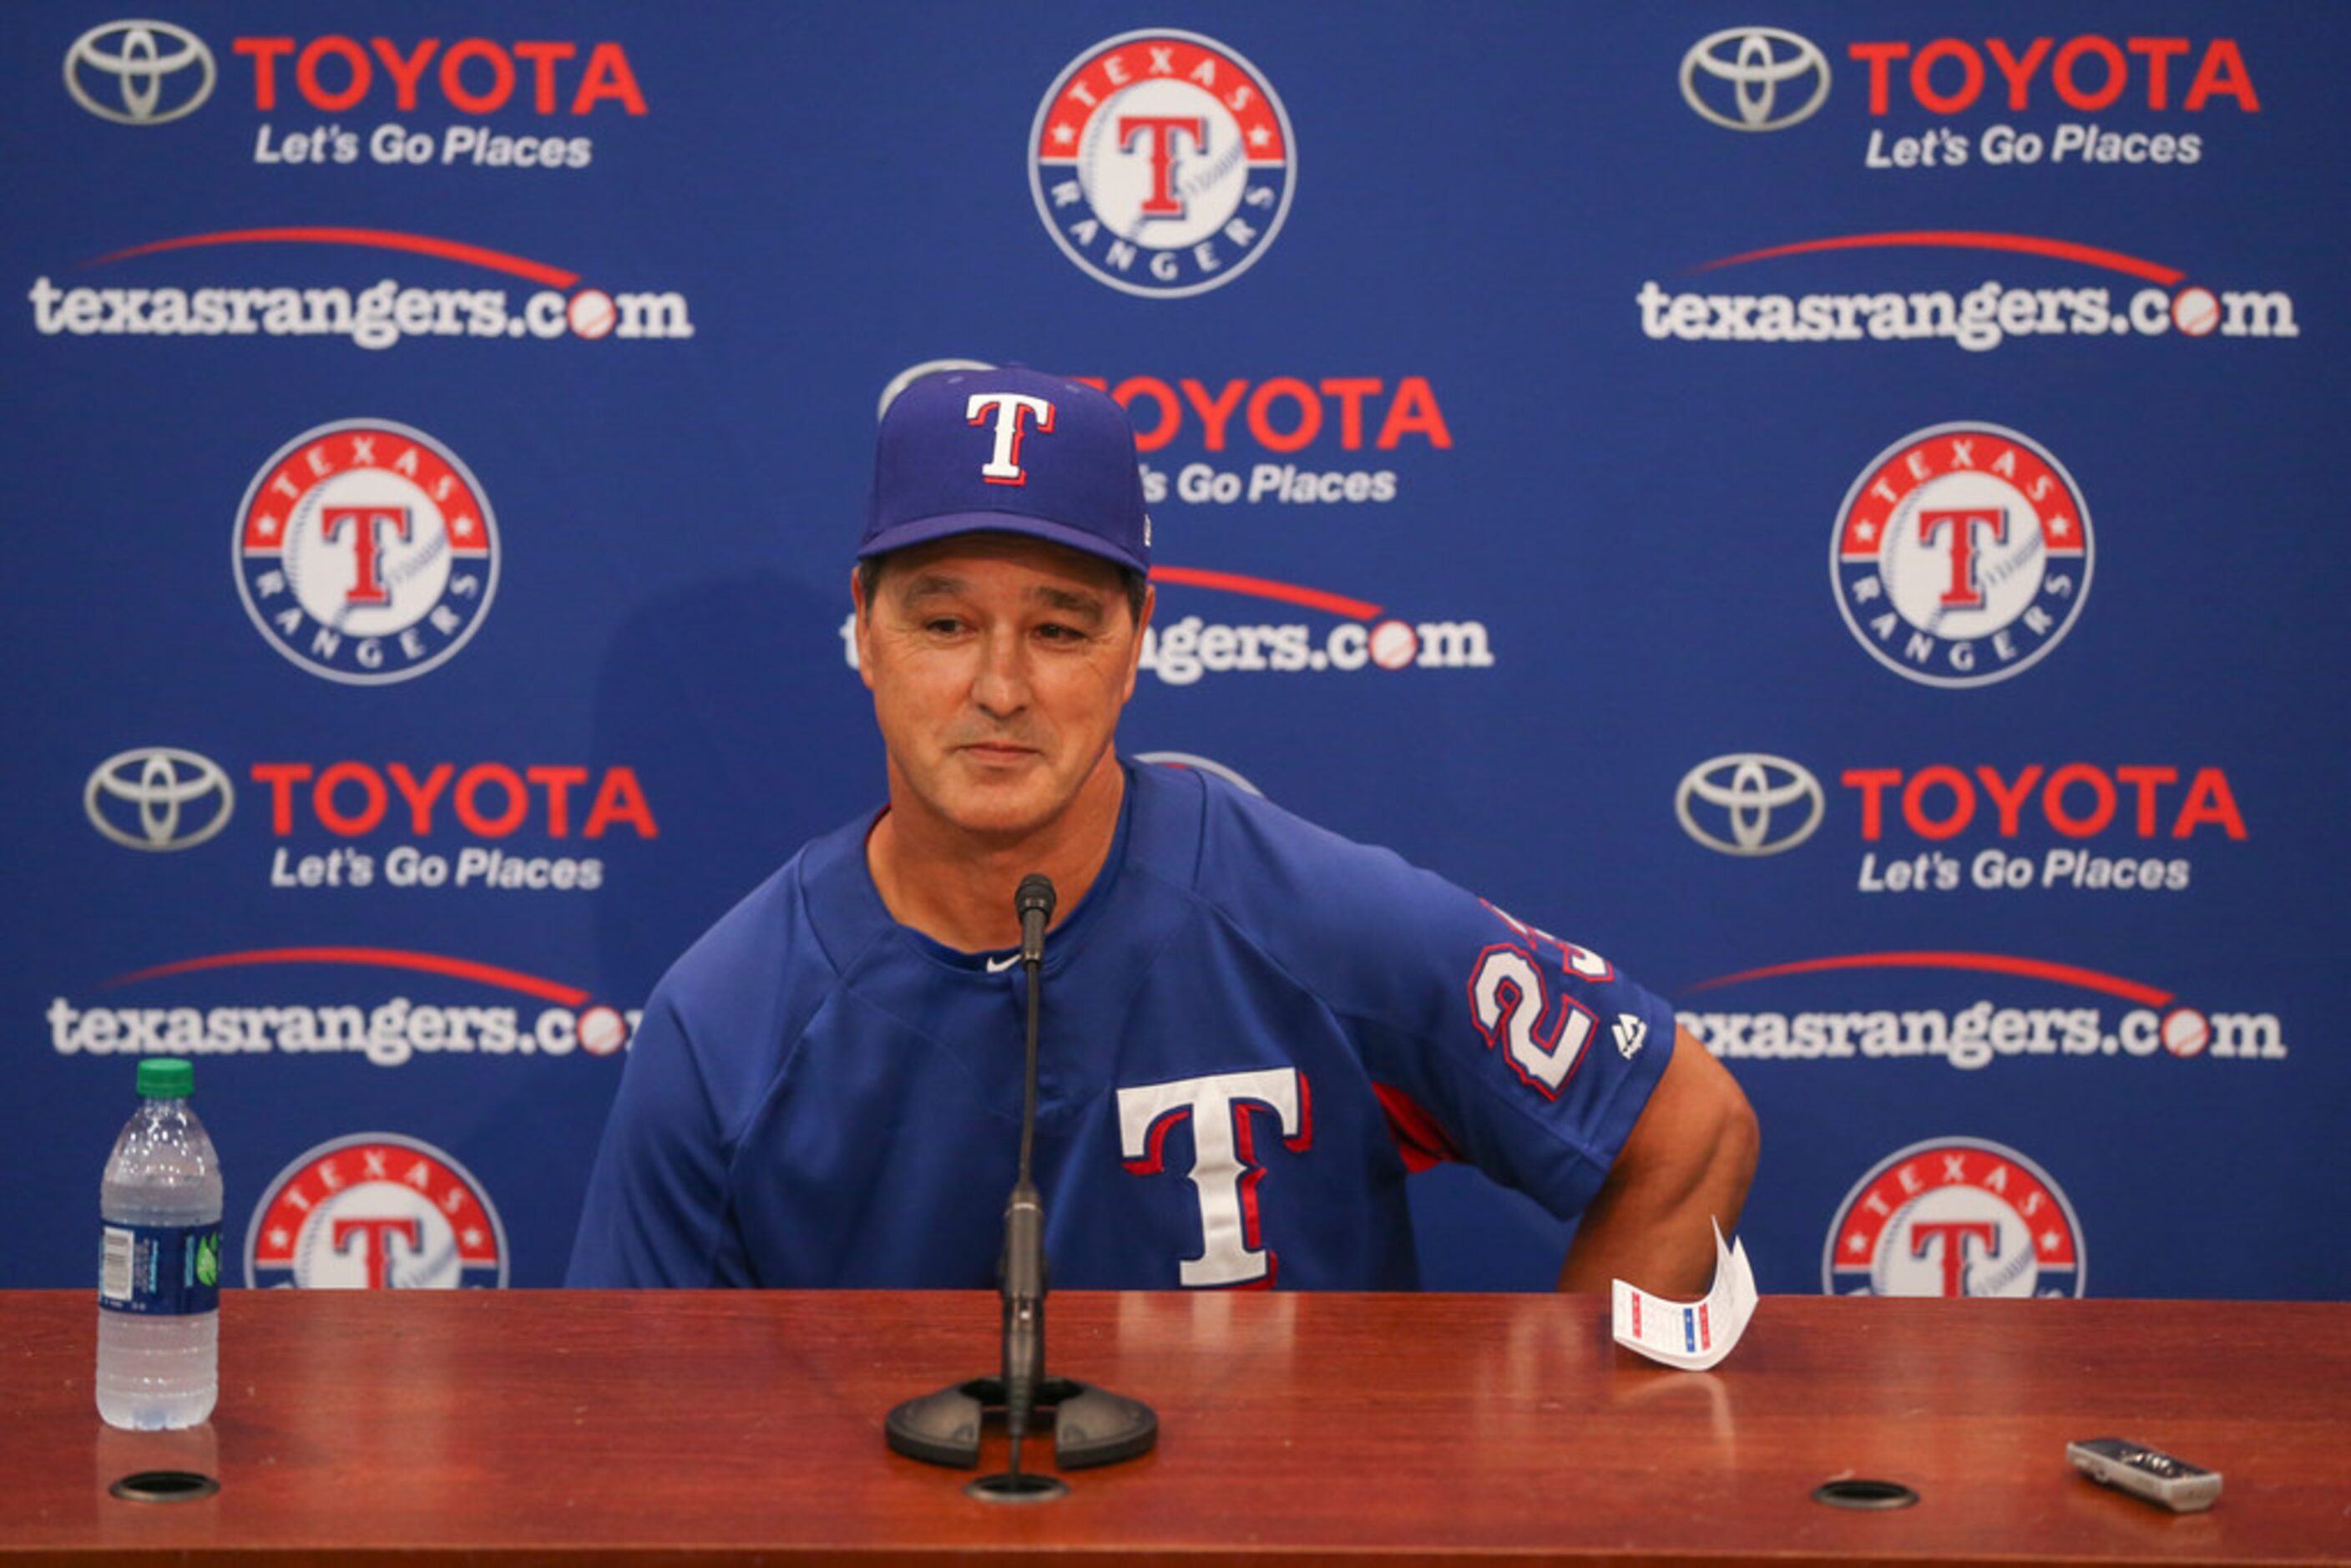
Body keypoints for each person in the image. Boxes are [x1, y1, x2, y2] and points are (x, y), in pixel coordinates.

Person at [567, 365, 1756, 1295]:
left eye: (1061, 628)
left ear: (1138, 643)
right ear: (867, 634)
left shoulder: (1316, 920)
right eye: (942, 623)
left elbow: (1689, 1124)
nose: (999, 686)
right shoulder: (724, 1022)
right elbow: (634, 1421)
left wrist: (1568, 1461)